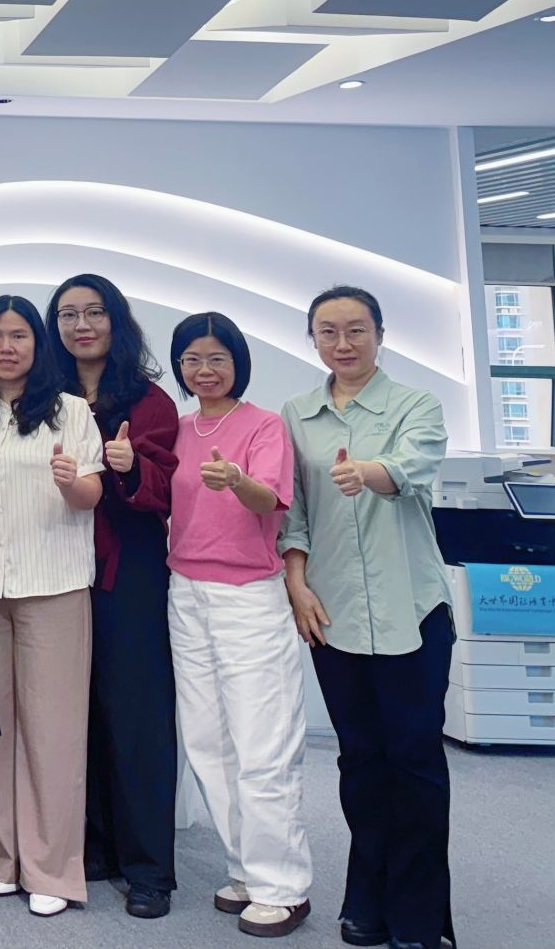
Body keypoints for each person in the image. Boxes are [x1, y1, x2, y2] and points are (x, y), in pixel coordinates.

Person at [282, 285, 452, 949]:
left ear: (380, 334)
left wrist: (369, 472)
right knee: (360, 762)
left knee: (414, 761)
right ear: (313, 339)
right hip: (335, 613)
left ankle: (420, 917)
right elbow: (295, 512)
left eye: (356, 329)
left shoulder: (416, 405)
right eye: (328, 331)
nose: (343, 342)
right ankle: (367, 898)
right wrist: (296, 583)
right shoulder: (298, 415)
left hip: (412, 610)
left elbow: (413, 467)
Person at [165, 312, 312, 938]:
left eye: (217, 358)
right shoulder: (177, 429)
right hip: (185, 592)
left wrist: (237, 480)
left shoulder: (264, 425)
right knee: (207, 743)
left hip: (249, 597)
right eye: (192, 359)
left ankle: (284, 886)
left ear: (238, 363)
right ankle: (247, 869)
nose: (205, 370)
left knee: (262, 744)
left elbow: (270, 501)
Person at [0, 294, 104, 918]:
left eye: (18, 335)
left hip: (54, 586)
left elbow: (92, 493)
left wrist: (71, 482)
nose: (6, 347)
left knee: (54, 733)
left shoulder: (70, 410)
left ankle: (53, 869)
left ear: (38, 344)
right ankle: (4, 855)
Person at [46, 273, 181, 919]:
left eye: (94, 312)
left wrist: (130, 467)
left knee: (137, 716)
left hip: (126, 568)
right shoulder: (45, 396)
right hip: (55, 567)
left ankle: (149, 867)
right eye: (68, 314)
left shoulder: (149, 400)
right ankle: (96, 845)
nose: (82, 325)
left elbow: (169, 487)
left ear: (116, 320)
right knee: (78, 712)